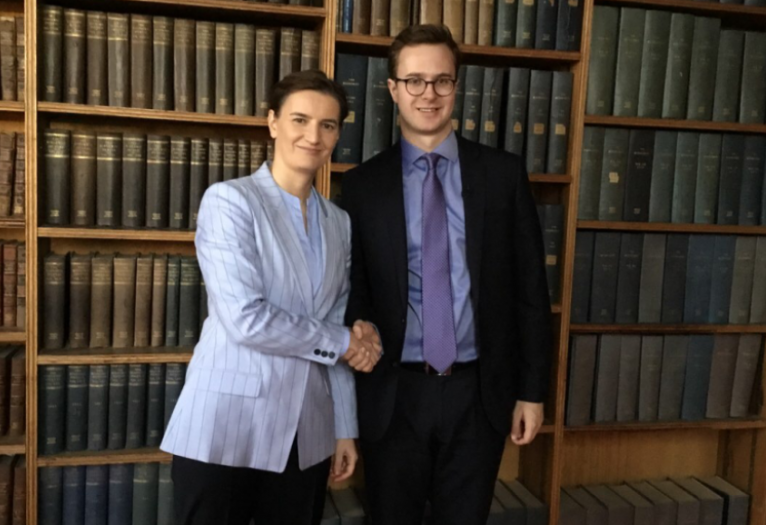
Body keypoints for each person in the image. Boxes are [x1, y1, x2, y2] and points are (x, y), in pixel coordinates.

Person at [339, 24, 553, 525]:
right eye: (414, 80)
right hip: (394, 394)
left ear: (457, 86)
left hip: (479, 393)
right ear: (393, 89)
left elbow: (530, 291)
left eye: (441, 80)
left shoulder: (502, 174)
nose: (428, 94)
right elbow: (353, 290)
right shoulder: (363, 186)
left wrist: (532, 391)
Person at [160, 70, 382, 525]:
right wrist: (346, 342)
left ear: (337, 135)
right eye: (300, 120)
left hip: (306, 432)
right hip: (225, 425)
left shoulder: (339, 222)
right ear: (273, 122)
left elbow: (336, 318)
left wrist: (344, 428)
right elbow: (246, 318)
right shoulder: (230, 201)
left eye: (327, 125)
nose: (313, 136)